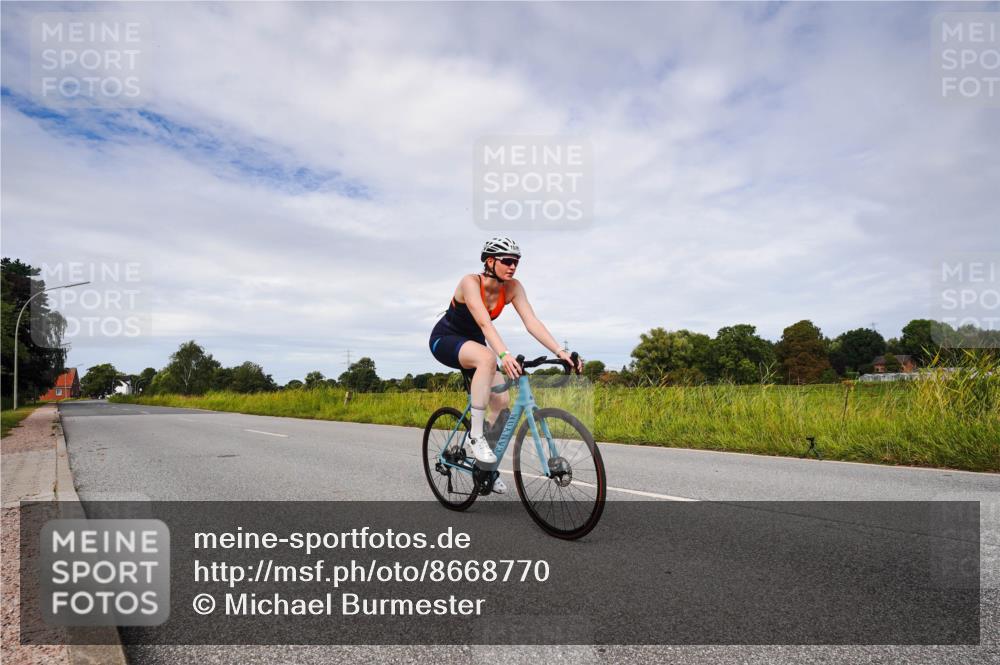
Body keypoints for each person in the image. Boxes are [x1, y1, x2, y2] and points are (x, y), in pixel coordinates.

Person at [428, 236, 582, 493]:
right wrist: (504, 355)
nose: (513, 266)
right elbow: (485, 324)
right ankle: (476, 435)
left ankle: (485, 468)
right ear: (490, 261)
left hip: (476, 343)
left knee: (501, 403)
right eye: (508, 261)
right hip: (446, 339)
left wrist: (560, 351)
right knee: (488, 359)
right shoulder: (470, 282)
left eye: (516, 262)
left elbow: (531, 321)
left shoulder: (512, 287)